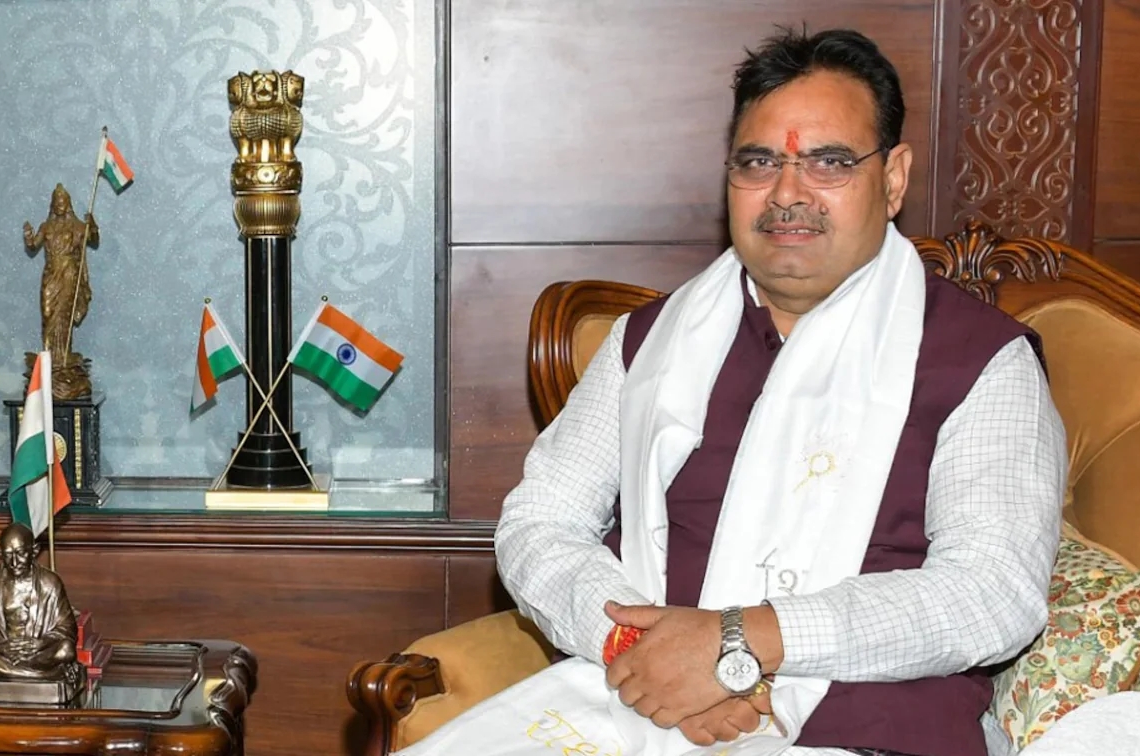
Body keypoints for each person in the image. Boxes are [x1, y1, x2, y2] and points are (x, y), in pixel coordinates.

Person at [400, 28, 1069, 756]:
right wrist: (641, 651)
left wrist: (740, 643)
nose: (787, 194)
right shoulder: (646, 344)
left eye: (830, 162)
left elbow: (991, 592)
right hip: (635, 704)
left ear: (895, 177)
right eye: (759, 162)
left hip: (861, 734)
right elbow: (539, 523)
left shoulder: (979, 360)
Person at [0, 523, 81, 683]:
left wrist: (41, 643)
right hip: (2, 654)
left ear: (34, 551)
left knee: (65, 650)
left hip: (37, 654)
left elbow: (66, 628)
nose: (14, 562)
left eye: (20, 553)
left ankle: (3, 672)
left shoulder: (50, 583)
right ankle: (39, 675)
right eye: (8, 554)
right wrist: (0, 646)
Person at [23, 183, 98, 398]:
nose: (60, 205)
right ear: (53, 205)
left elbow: (93, 240)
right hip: (51, 273)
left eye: (63, 202)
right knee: (48, 313)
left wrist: (93, 226)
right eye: (57, 202)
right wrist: (28, 237)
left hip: (69, 273)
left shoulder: (77, 226)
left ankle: (61, 359)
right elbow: (33, 245)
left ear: (68, 204)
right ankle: (49, 358)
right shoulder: (46, 226)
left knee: (64, 316)